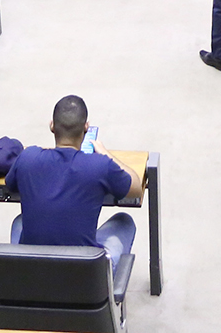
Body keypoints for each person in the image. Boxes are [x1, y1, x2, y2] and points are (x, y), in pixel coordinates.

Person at [7, 95, 136, 271]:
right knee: (124, 221)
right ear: (86, 128)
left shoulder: (27, 157)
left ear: (52, 126)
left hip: (33, 273)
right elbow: (135, 186)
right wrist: (105, 153)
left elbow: (11, 186)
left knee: (20, 222)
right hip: (85, 275)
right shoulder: (101, 166)